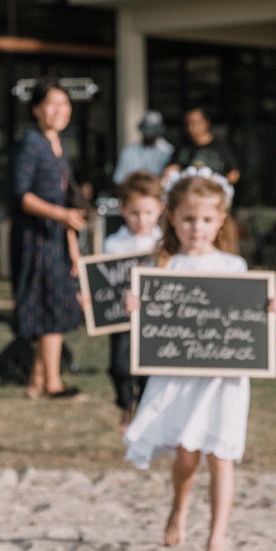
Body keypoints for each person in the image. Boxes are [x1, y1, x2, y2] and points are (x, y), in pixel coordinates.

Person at [123, 172, 276, 551]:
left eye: (207, 220)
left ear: (221, 220)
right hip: (179, 376)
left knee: (221, 455)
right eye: (189, 219)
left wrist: (269, 309)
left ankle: (217, 538)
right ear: (173, 219)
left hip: (223, 379)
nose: (198, 228)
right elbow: (152, 325)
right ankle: (179, 505)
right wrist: (136, 308)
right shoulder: (164, 266)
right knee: (187, 455)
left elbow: (249, 318)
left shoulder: (234, 266)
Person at [10, 78, 87, 400]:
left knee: (55, 304)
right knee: (49, 308)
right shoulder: (31, 143)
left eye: (64, 104)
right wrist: (60, 215)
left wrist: (73, 247)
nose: (60, 111)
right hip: (36, 237)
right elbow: (21, 195)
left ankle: (37, 382)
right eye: (52, 104)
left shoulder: (60, 146)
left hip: (57, 236)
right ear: (36, 109)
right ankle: (52, 383)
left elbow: (67, 200)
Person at [102, 170, 165, 433]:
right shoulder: (113, 244)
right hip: (121, 318)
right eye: (135, 213)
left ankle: (143, 410)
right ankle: (125, 405)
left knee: (149, 367)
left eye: (148, 213)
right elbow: (102, 282)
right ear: (123, 210)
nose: (142, 220)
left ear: (160, 209)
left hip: (153, 319)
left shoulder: (164, 244)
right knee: (120, 365)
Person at [165, 106, 240, 187]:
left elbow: (234, 173)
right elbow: (172, 169)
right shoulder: (183, 148)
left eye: (195, 122)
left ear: (206, 122)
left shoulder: (221, 146)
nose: (190, 127)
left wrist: (218, 183)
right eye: (187, 123)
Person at [113, 110, 174, 187]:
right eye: (147, 132)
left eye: (153, 132)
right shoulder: (129, 151)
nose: (149, 136)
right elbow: (118, 181)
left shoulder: (168, 151)